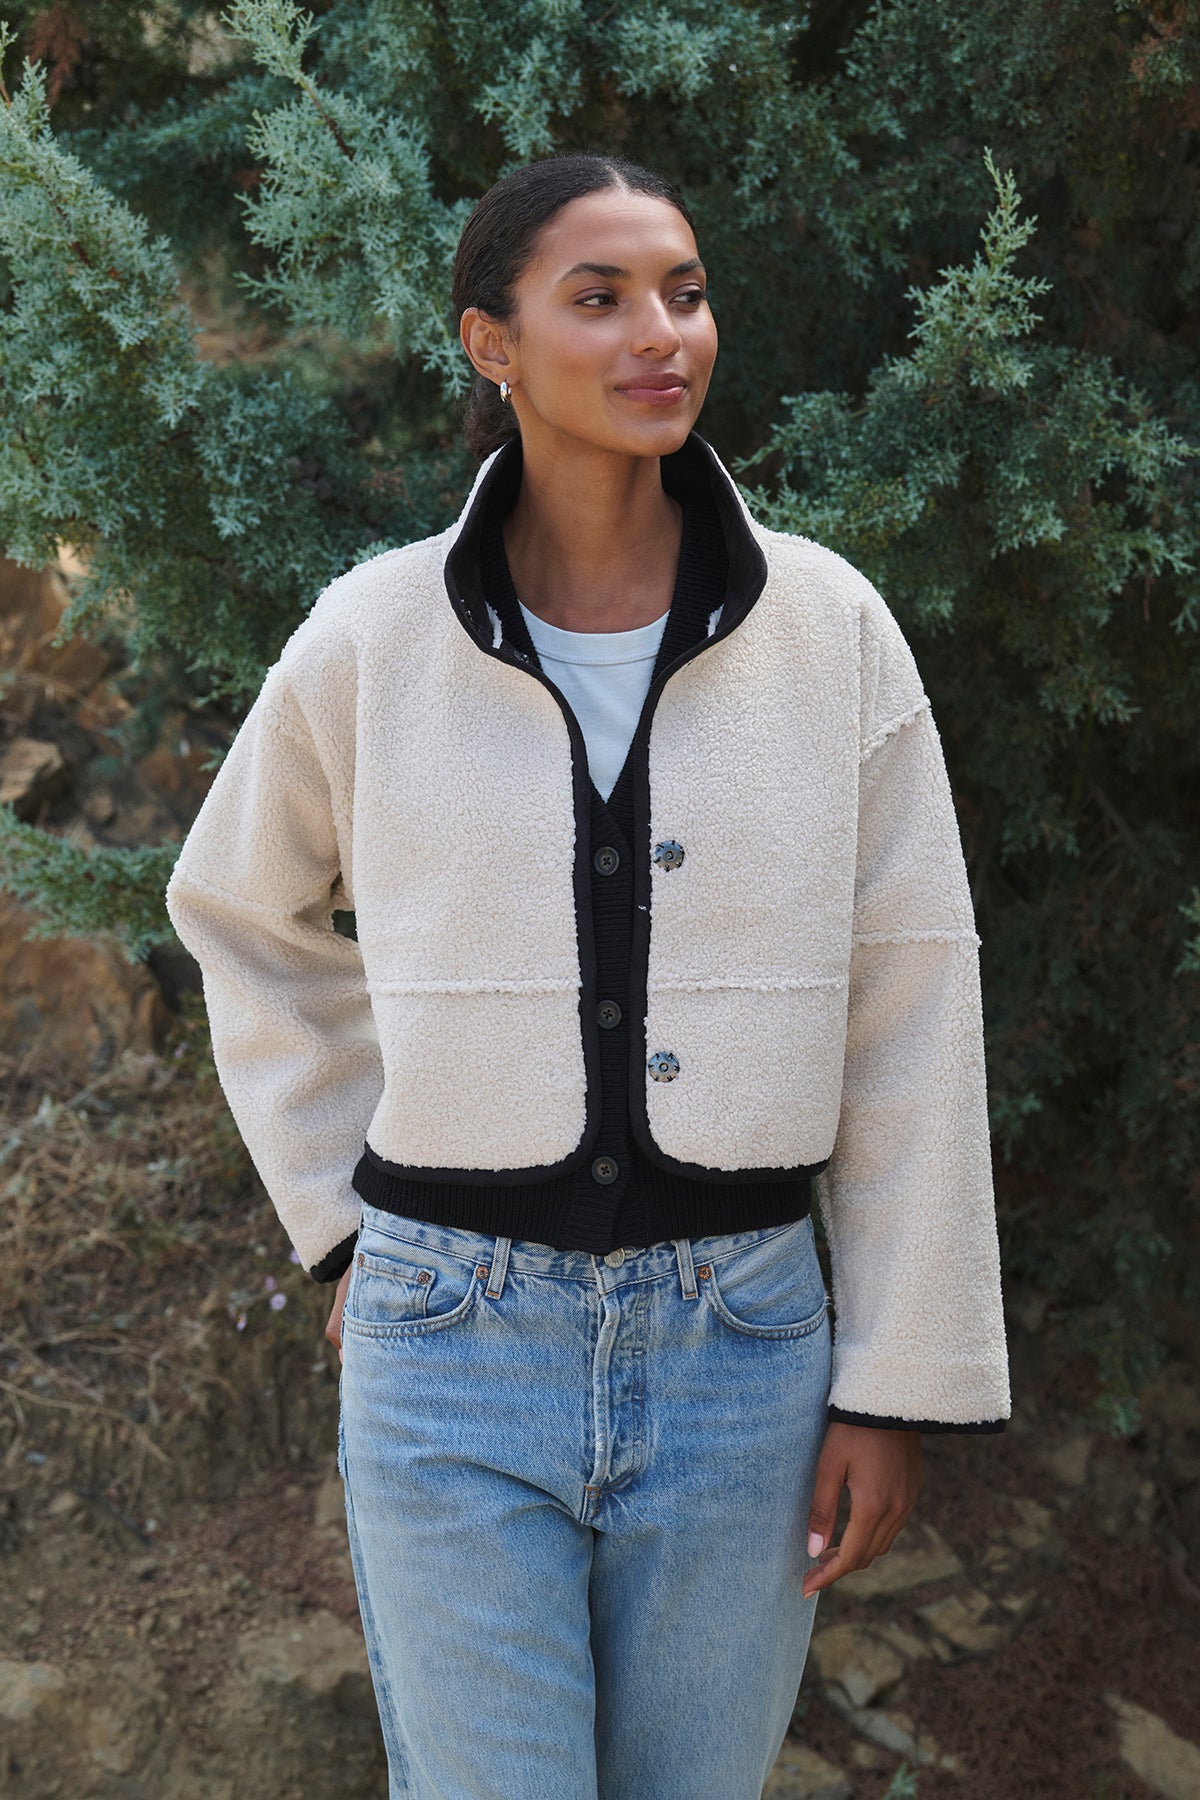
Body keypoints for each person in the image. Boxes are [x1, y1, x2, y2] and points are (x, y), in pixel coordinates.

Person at [165, 152, 1010, 1800]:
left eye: (684, 294)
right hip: (449, 1339)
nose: (660, 335)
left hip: (745, 1347)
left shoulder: (831, 631)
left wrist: (893, 1380)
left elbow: (914, 999)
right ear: (493, 342)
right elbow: (239, 914)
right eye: (601, 297)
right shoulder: (373, 635)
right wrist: (347, 1227)